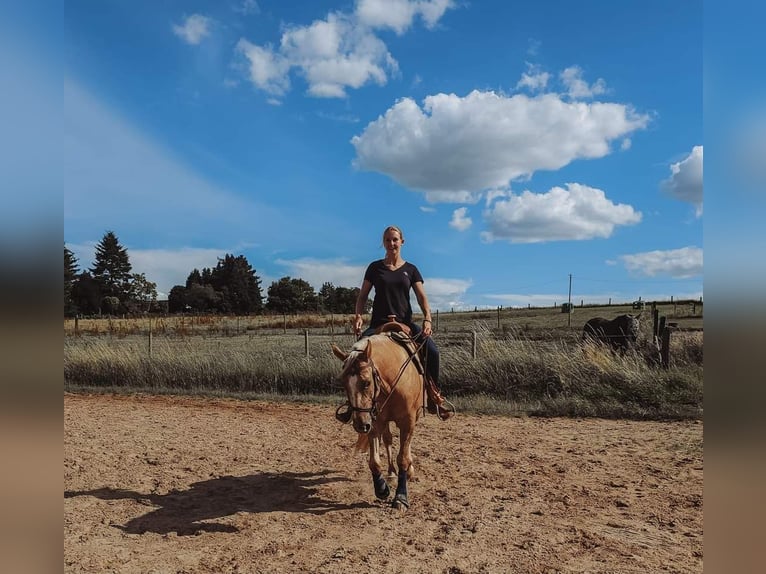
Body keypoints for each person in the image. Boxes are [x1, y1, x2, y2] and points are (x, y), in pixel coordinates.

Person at [352, 225, 454, 420]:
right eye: (388, 240)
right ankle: (353, 403)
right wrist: (358, 316)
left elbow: (422, 297)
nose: (392, 243)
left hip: (405, 322)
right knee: (355, 355)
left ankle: (434, 396)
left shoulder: (411, 269)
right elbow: (362, 296)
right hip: (378, 323)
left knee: (432, 352)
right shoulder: (375, 268)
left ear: (402, 242)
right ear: (383, 243)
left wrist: (427, 319)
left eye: (395, 240)